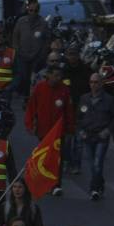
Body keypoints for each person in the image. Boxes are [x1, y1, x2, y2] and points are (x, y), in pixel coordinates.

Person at [25, 63, 74, 196]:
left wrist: (70, 128)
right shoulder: (40, 88)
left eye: (60, 76)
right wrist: (29, 124)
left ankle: (56, 185)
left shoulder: (64, 90)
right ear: (49, 75)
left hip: (58, 132)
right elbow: (31, 106)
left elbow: (69, 111)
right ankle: (45, 183)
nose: (58, 78)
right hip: (43, 131)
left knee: (57, 158)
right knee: (44, 157)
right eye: (56, 75)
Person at [76, 72, 114, 200]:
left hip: (101, 136)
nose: (93, 85)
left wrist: (107, 131)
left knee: (97, 163)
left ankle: (94, 189)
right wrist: (81, 131)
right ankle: (100, 183)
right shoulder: (84, 98)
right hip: (88, 135)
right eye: (91, 82)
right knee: (91, 164)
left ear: (101, 83)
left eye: (96, 82)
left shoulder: (109, 100)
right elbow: (78, 117)